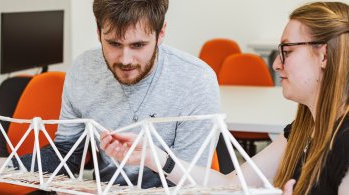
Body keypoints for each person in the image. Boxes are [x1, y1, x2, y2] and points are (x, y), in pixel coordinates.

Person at [0, 0, 219, 190]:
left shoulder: (195, 80)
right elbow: (66, 155)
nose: (126, 60)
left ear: (161, 33)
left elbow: (191, 182)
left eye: (138, 45)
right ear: (98, 33)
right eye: (114, 44)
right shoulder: (84, 70)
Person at [100, 1, 349, 194]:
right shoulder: (302, 133)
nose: (276, 64)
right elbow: (229, 185)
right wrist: (153, 157)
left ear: (324, 56)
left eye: (288, 51)